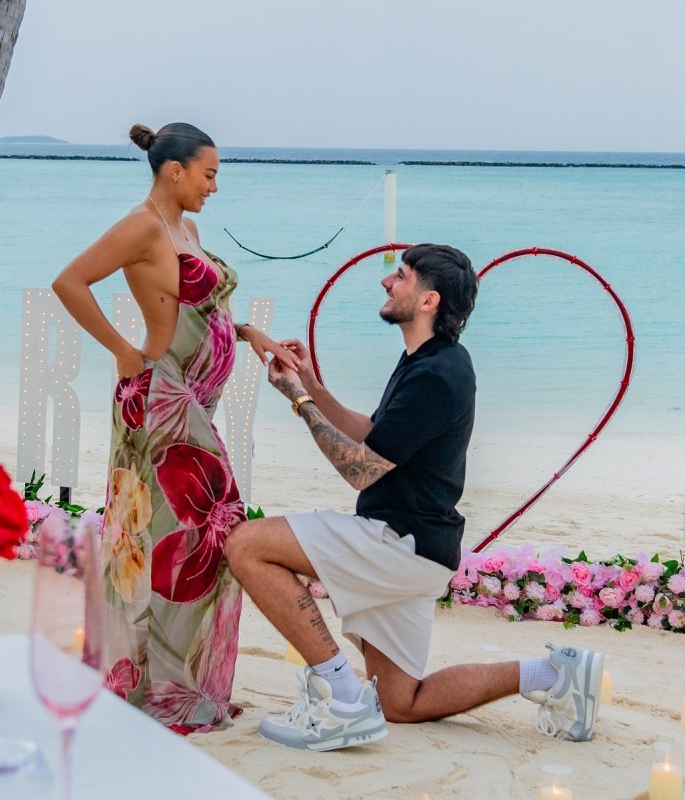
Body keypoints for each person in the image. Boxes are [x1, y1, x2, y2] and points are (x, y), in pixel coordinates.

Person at [225, 243, 604, 751]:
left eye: (400, 276)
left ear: (429, 300)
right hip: (422, 547)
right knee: (403, 702)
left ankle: (340, 697)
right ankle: (553, 673)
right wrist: (312, 385)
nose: (387, 282)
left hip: (396, 541)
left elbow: (359, 471)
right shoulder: (430, 360)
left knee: (247, 544)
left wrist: (297, 400)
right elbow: (375, 436)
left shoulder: (437, 376)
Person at [52, 121, 295, 732]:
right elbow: (69, 282)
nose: (215, 186)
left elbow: (203, 307)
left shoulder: (186, 228)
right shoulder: (141, 225)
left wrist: (251, 336)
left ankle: (172, 686)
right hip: (161, 396)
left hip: (192, 400)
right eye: (209, 174)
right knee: (205, 534)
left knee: (174, 541)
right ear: (174, 170)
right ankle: (165, 691)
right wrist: (121, 351)